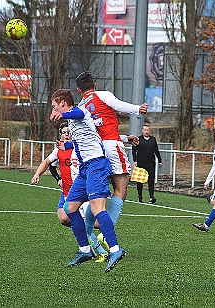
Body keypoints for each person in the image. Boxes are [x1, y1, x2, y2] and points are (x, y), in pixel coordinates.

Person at [50, 88, 126, 272]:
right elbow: (83, 140)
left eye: (54, 106)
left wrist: (63, 114)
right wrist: (68, 144)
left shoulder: (80, 111)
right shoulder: (73, 122)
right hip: (85, 169)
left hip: (97, 166)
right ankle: (85, 250)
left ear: (62, 102)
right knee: (70, 208)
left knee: (96, 208)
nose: (53, 110)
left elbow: (77, 112)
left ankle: (115, 249)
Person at [75, 71, 147, 224]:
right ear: (95, 85)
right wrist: (137, 109)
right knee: (120, 189)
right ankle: (107, 229)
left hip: (95, 151)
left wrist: (126, 138)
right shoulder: (102, 95)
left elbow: (96, 131)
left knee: (97, 194)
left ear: (79, 91)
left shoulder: (80, 107)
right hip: (112, 146)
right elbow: (118, 105)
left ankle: (90, 232)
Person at [30, 122, 109, 262]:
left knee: (93, 224)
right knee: (64, 218)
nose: (66, 135)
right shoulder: (58, 150)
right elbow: (47, 163)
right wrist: (37, 175)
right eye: (63, 132)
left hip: (81, 192)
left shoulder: (80, 149)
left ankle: (102, 243)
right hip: (67, 192)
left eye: (68, 132)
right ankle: (90, 244)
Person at [132, 124, 163, 203]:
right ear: (142, 130)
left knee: (151, 180)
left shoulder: (153, 139)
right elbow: (134, 150)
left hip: (151, 163)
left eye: (147, 130)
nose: (146, 131)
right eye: (145, 130)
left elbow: (156, 150)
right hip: (141, 163)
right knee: (140, 181)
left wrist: (160, 160)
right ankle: (140, 197)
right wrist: (135, 160)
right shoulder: (138, 139)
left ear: (149, 131)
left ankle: (151, 197)